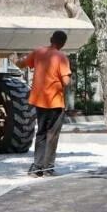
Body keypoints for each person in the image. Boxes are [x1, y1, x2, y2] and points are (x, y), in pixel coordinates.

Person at [14, 30, 72, 177]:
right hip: (54, 102)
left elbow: (21, 64)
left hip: (39, 100)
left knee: (40, 134)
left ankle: (37, 167)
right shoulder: (61, 57)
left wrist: (16, 57)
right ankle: (48, 169)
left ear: (51, 39)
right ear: (63, 43)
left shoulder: (38, 52)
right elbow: (66, 82)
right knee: (52, 135)